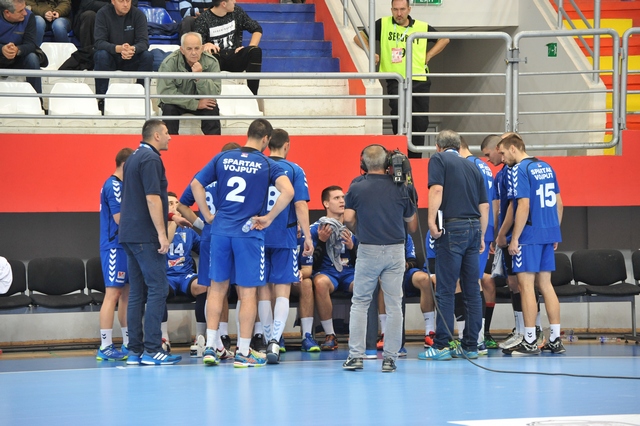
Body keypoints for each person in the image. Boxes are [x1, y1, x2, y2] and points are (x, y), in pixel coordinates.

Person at [190, 118, 295, 368]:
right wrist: (269, 218)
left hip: (220, 232)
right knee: (247, 293)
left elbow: (196, 184)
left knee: (217, 289)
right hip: (248, 233)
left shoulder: (222, 158)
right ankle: (244, 351)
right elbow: (289, 192)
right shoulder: (267, 164)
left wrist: (207, 216)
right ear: (266, 139)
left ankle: (211, 347)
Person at [342, 145, 417, 373]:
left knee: (360, 303)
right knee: (394, 306)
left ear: (363, 164)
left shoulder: (356, 186)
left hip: (368, 249)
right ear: (387, 164)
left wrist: (359, 231)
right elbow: (412, 226)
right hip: (395, 250)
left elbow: (348, 218)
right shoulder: (402, 187)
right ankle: (390, 359)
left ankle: (356, 356)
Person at [118, 119, 185, 366]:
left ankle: (135, 351)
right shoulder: (151, 159)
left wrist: (170, 217)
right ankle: (153, 349)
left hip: (129, 234)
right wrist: (161, 233)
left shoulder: (134, 157)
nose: (170, 137)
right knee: (158, 288)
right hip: (145, 236)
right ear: (156, 136)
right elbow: (152, 199)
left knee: (137, 292)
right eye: (167, 133)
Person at [420, 130, 488, 361]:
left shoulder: (438, 159)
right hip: (474, 228)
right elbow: (484, 206)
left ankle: (442, 345)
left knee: (446, 289)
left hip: (452, 228)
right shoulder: (473, 166)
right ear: (459, 147)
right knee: (472, 290)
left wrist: (431, 221)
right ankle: (471, 345)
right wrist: (481, 235)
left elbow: (436, 189)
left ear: (438, 146)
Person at [353, 0, 449, 159]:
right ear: (391, 9)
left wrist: (428, 56)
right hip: (395, 79)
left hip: (418, 79)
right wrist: (371, 53)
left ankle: (415, 157)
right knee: (399, 117)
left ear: (409, 9)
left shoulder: (421, 26)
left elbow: (444, 39)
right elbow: (359, 37)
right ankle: (401, 155)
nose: (399, 13)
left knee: (419, 121)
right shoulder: (383, 24)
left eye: (402, 9)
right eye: (395, 9)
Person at [498, 134, 565, 355]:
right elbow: (559, 203)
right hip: (548, 233)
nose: (502, 157)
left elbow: (523, 205)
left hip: (529, 235)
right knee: (546, 285)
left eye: (503, 152)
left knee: (526, 286)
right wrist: (555, 231)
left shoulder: (520, 169)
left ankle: (529, 340)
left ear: (513, 148)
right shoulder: (546, 166)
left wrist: (515, 238)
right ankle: (555, 339)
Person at [177, 142, 240, 359]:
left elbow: (182, 205)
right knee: (243, 290)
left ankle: (216, 342)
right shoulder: (236, 177)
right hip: (233, 236)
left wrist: (203, 223)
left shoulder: (205, 177)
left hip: (210, 236)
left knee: (214, 288)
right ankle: (237, 342)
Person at [257, 128, 313, 364]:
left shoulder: (258, 165)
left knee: (262, 288)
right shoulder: (294, 169)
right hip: (285, 236)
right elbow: (300, 204)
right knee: (282, 288)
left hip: (257, 234)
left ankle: (266, 337)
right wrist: (307, 236)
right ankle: (274, 341)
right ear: (287, 145)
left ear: (268, 143)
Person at [310, 185, 358, 352]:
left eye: (343, 197)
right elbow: (311, 264)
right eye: (336, 198)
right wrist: (322, 242)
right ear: (326, 203)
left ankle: (359, 332)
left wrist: (352, 247)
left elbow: (360, 263)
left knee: (365, 284)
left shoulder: (351, 230)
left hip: (348, 273)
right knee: (320, 283)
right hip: (327, 272)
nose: (342, 201)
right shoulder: (316, 229)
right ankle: (330, 335)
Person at [96, 147, 133, 362]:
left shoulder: (124, 185)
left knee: (126, 294)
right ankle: (105, 345)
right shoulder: (114, 185)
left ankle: (128, 342)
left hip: (125, 246)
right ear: (125, 165)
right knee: (112, 294)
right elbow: (120, 219)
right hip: (114, 247)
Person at [459, 137, 495, 354]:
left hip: (475, 228)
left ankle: (476, 339)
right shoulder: (483, 166)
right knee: (474, 281)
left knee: (471, 282)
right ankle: (476, 337)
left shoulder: (468, 166)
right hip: (485, 227)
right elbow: (493, 203)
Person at [377, 234, 435, 351]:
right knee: (383, 281)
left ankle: (430, 333)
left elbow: (413, 260)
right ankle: (385, 333)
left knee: (425, 280)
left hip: (405, 273)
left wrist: (406, 265)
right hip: (387, 274)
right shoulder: (378, 235)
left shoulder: (405, 236)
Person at [157, 32, 222, 135]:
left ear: (202, 48)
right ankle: (171, 144)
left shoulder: (212, 62)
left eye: (197, 48)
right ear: (182, 50)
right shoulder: (169, 63)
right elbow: (166, 94)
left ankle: (213, 144)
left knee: (211, 107)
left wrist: (200, 78)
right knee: (169, 109)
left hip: (201, 101)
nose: (193, 53)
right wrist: (195, 104)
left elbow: (215, 92)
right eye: (189, 49)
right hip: (177, 102)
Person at [194, 0, 263, 96]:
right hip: (216, 59)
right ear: (224, 4)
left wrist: (251, 46)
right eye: (232, 0)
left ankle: (253, 95)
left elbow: (257, 29)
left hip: (234, 55)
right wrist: (205, 45)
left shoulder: (237, 11)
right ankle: (209, 95)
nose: (235, 1)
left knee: (255, 51)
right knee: (209, 57)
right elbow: (194, 46)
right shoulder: (203, 19)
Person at [93, 0, 153, 101]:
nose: (125, 4)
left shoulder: (138, 14)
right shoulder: (102, 13)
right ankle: (101, 99)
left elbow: (144, 42)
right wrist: (118, 49)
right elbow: (99, 42)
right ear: (113, 1)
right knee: (100, 55)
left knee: (147, 56)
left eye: (128, 1)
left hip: (131, 56)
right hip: (111, 57)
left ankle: (142, 96)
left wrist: (132, 49)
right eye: (121, 1)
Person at [0, 0, 41, 94]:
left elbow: (31, 44)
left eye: (25, 8)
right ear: (7, 12)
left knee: (32, 58)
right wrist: (2, 49)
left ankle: (37, 98)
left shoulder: (29, 16)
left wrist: (17, 50)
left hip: (18, 58)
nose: (25, 13)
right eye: (21, 11)